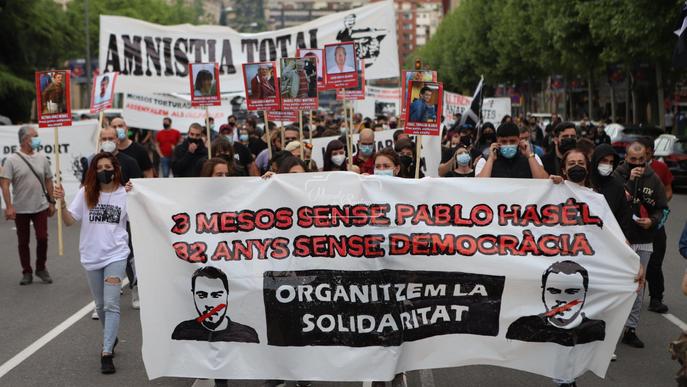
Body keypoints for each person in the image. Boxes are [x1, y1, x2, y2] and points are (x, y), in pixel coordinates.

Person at [53, 153, 131, 374]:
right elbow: (69, 221)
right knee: (100, 305)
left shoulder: (125, 194)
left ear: (116, 169)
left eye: (108, 166)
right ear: (93, 171)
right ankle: (111, 337)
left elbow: (142, 217)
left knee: (111, 304)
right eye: (99, 167)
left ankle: (106, 352)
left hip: (116, 254)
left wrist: (138, 193)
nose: (104, 170)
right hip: (91, 256)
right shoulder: (86, 192)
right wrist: (61, 203)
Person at [612, 141, 669, 348]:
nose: (637, 164)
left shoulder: (653, 179)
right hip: (620, 239)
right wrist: (628, 181)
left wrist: (652, 221)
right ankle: (609, 328)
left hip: (644, 240)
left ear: (647, 158)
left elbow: (662, 209)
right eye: (632, 160)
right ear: (626, 158)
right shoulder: (617, 175)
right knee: (616, 285)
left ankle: (631, 329)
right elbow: (610, 202)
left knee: (638, 287)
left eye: (641, 160)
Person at [1, 126, 55, 285]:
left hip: (40, 206)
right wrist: (9, 206)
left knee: (42, 238)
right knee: (23, 241)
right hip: (21, 207)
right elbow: (5, 185)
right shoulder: (11, 160)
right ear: (25, 139)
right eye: (35, 136)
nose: (38, 138)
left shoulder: (42, 158)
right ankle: (27, 272)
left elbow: (48, 180)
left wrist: (51, 202)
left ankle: (41, 268)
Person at [172, 266, 259, 343]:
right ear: (193, 295)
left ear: (227, 294)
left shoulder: (247, 335)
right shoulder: (183, 331)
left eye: (217, 295)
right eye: (202, 295)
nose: (209, 303)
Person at [637, 138, 673, 314]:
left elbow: (668, 190)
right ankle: (631, 300)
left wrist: (660, 203)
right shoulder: (624, 169)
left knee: (655, 263)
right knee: (635, 265)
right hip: (634, 226)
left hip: (656, 225)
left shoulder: (661, 168)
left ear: (650, 151)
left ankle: (656, 298)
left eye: (642, 152)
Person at [476, 123, 549, 179]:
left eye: (512, 141)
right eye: (503, 142)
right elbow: (480, 185)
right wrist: (491, 159)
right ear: (497, 141)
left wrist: (530, 156)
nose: (508, 145)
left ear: (519, 140)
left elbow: (544, 182)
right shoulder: (484, 160)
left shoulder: (533, 157)